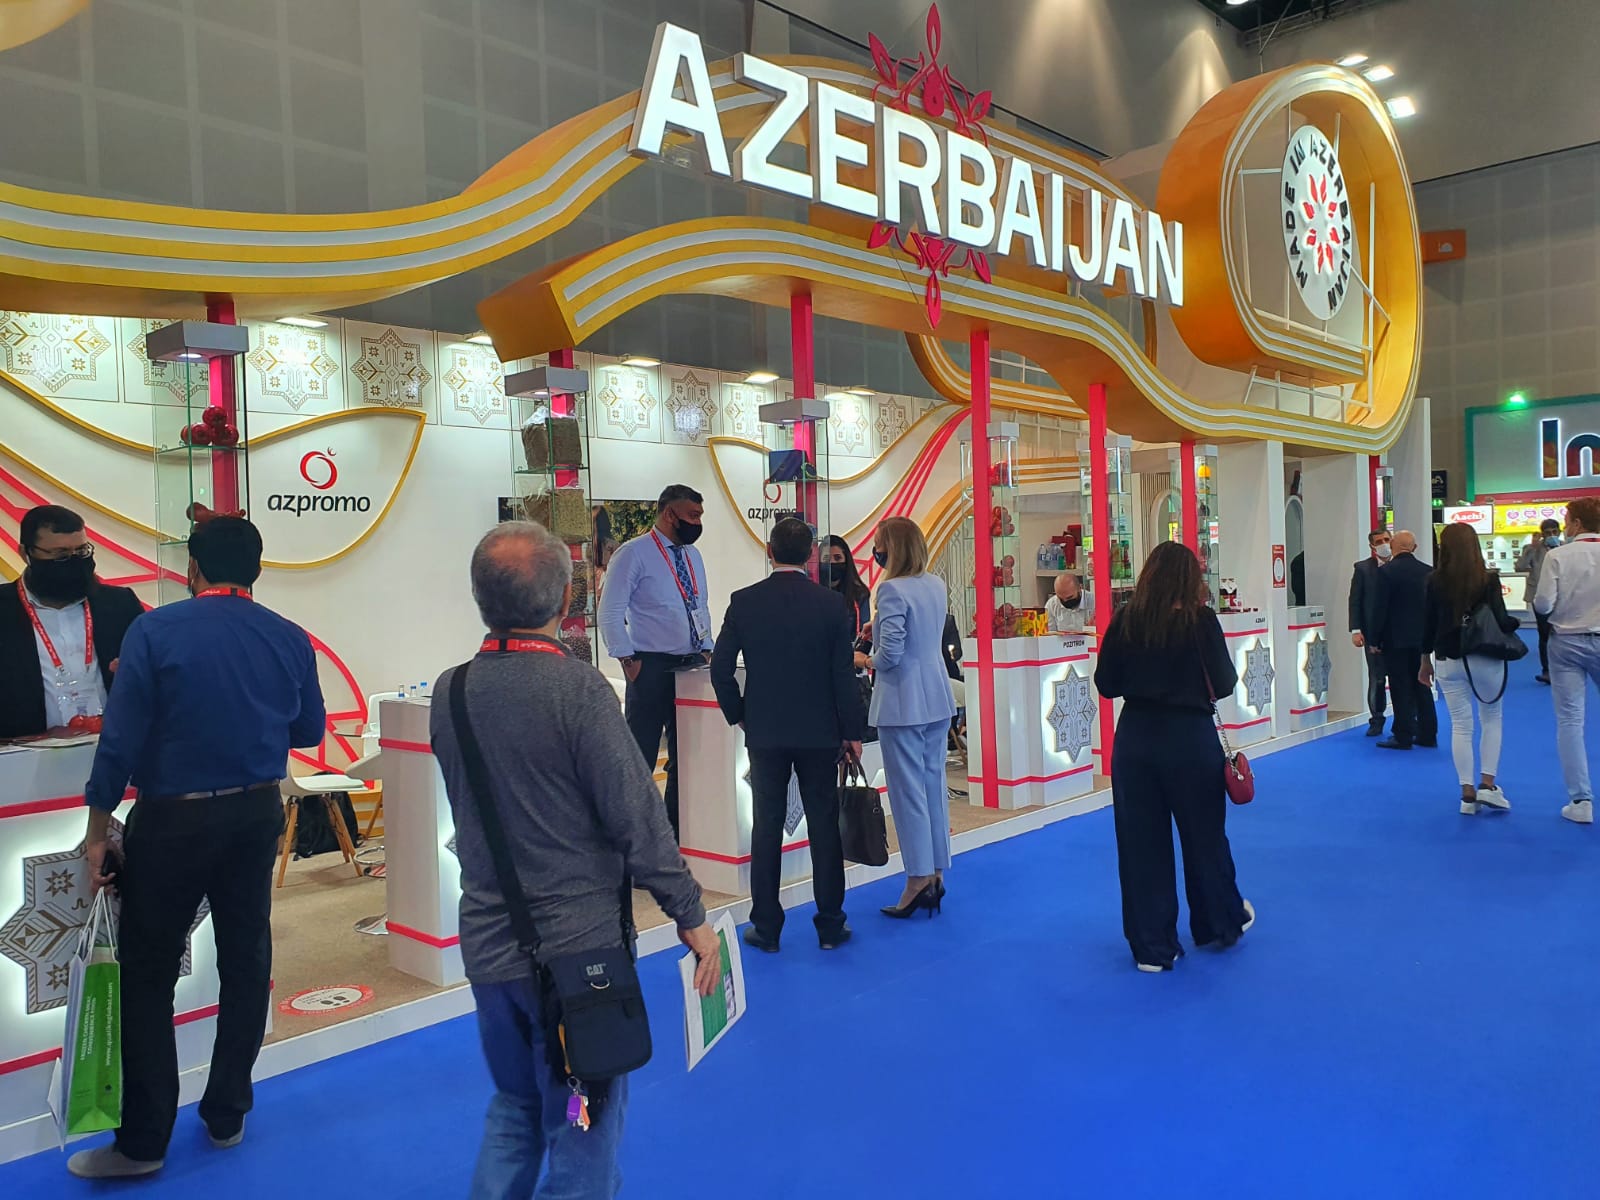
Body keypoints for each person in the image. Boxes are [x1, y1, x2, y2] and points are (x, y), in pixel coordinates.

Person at [432, 521, 721, 1197]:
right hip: (578, 962)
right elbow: (637, 818)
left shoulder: (450, 691)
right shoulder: (579, 690)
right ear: (568, 600)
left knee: (515, 1107)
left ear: (479, 598)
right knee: (583, 1121)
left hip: (490, 947)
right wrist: (690, 914)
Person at [68, 517, 326, 1180]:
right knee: (246, 960)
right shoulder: (289, 636)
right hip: (256, 813)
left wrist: (97, 831)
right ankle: (227, 1113)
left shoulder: (155, 631)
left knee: (148, 974)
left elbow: (119, 740)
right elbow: (308, 729)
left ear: (192, 568)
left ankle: (143, 1141)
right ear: (257, 569)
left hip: (173, 820)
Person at [1093, 542, 1253, 973]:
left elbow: (1106, 683)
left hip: (1136, 740)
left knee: (1140, 844)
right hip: (1189, 739)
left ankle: (1153, 946)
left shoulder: (1126, 618)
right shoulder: (1201, 620)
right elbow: (1223, 682)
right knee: (1205, 836)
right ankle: (1218, 923)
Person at [711, 518, 865, 953]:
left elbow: (720, 669)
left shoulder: (744, 602)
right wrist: (851, 731)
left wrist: (740, 714)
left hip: (766, 731)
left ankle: (767, 927)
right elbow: (843, 676)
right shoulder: (831, 605)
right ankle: (830, 925)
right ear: (811, 554)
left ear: (769, 550)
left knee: (766, 827)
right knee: (824, 826)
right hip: (820, 731)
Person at [596, 484, 714, 839]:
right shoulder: (634, 554)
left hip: (691, 665)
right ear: (669, 514)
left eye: (700, 516)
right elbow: (609, 611)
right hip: (649, 667)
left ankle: (674, 836)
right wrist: (627, 659)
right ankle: (632, 840)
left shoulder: (693, 555)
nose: (697, 523)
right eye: (692, 515)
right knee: (641, 757)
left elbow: (699, 604)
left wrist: (707, 647)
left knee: (684, 757)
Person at [860, 517, 956, 918]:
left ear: (892, 548)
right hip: (936, 696)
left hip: (903, 702)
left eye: (879, 544)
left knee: (907, 793)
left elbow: (890, 657)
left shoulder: (891, 590)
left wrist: (864, 659)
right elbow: (918, 635)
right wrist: (880, 628)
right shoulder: (935, 584)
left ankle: (917, 878)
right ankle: (936, 872)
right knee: (933, 786)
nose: (876, 552)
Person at [0, 504, 145, 741]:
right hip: (22, 753)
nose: (73, 561)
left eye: (81, 551)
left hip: (113, 747)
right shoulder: (4, 609)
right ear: (26, 554)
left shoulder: (119, 604)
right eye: (60, 555)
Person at [1420, 523, 1520, 815]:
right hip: (1486, 656)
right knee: (1491, 718)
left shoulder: (1434, 581)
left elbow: (1427, 625)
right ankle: (1488, 785)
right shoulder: (1488, 580)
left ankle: (1466, 793)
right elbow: (1501, 619)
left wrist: (1424, 661)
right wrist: (1514, 625)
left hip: (1449, 659)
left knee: (1461, 725)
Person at [1534, 496, 1600, 825]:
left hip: (1567, 641)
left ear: (1576, 523)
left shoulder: (1557, 556)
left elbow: (1543, 603)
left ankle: (1580, 800)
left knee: (1570, 721)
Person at [1373, 530, 1439, 751]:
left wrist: (1375, 638)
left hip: (1395, 639)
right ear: (1415, 548)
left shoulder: (1386, 572)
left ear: (1392, 545)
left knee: (1400, 687)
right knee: (1423, 685)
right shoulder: (1429, 572)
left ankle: (1403, 735)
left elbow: (1380, 608)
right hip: (1422, 639)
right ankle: (1428, 733)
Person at [1349, 528, 1392, 736]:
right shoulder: (1363, 569)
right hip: (1373, 634)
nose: (1384, 544)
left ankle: (1407, 719)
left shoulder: (1400, 566)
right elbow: (1355, 601)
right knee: (1377, 678)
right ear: (1372, 546)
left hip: (1398, 633)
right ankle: (1376, 719)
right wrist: (1356, 630)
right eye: (1379, 541)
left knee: (1402, 678)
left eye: (1386, 539)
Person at [1517, 518, 1562, 684]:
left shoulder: (1566, 547)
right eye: (1548, 533)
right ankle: (1547, 671)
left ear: (1559, 531)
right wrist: (1531, 549)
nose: (1551, 535)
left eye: (1554, 532)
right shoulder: (1532, 549)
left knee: (1562, 634)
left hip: (1562, 596)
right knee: (1544, 634)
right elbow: (1520, 567)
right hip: (1540, 597)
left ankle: (1561, 669)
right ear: (1542, 534)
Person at [820, 533, 872, 634]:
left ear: (846, 560)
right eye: (826, 558)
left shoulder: (860, 594)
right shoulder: (812, 593)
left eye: (837, 558)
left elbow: (864, 633)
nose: (832, 562)